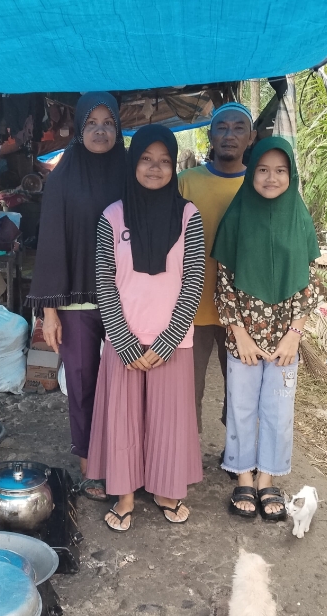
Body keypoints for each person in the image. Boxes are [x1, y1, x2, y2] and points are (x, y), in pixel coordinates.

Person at [87, 125, 205, 532]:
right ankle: (124, 493)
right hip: (125, 341)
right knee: (123, 421)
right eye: (146, 159)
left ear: (174, 167)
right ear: (133, 163)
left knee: (167, 422)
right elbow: (104, 282)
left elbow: (193, 280)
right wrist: (123, 341)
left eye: (164, 161)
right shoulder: (112, 216)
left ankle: (166, 489)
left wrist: (168, 341)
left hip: (173, 341)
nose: (155, 168)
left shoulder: (189, 216)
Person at [211, 137, 323, 521]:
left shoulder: (300, 219)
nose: (271, 178)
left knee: (278, 410)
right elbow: (223, 284)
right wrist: (239, 335)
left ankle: (267, 479)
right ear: (251, 172)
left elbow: (308, 286)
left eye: (280, 170)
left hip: (285, 342)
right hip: (242, 337)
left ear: (291, 176)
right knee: (241, 408)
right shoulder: (237, 215)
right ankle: (243, 475)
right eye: (262, 169)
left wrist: (294, 335)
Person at [26, 92, 127, 502]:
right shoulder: (63, 178)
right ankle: (89, 463)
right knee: (82, 384)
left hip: (124, 302)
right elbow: (51, 245)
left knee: (123, 384)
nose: (100, 130)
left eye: (108, 122)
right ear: (79, 129)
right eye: (92, 123)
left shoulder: (131, 173)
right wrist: (49, 312)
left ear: (118, 128)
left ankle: (124, 459)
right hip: (75, 303)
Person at [177, 103, 256, 432]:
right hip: (190, 309)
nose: (229, 134)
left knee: (240, 394)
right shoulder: (185, 183)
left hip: (243, 312)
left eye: (238, 128)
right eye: (221, 127)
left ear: (251, 137)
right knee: (186, 392)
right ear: (210, 135)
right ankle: (185, 455)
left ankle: (236, 453)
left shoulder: (259, 185)